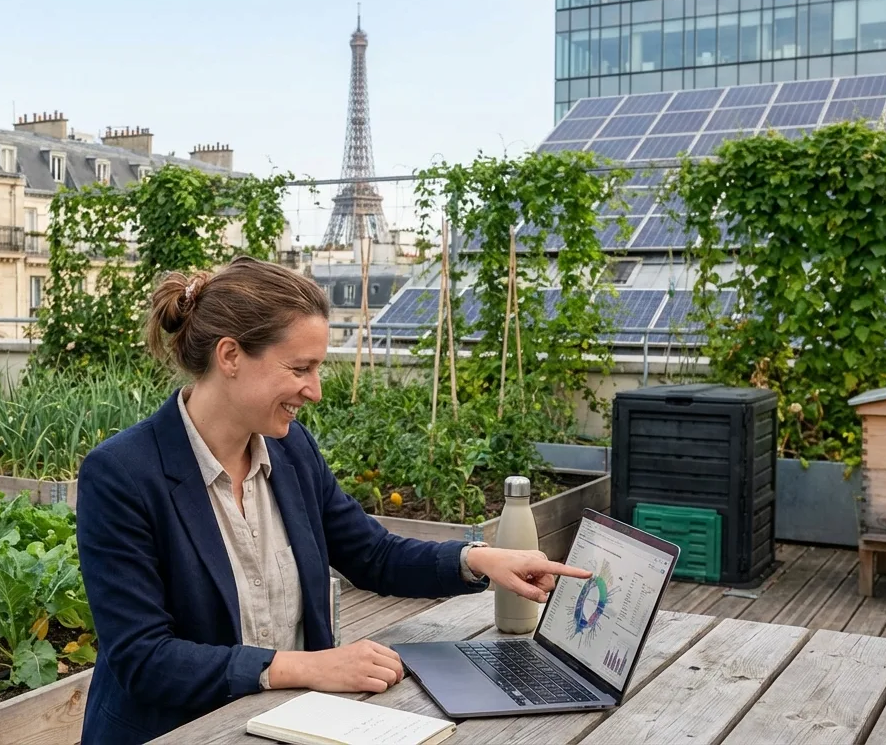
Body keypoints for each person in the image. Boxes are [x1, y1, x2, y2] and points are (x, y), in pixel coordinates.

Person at [75, 256, 592, 744]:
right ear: (230, 356)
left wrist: (477, 559)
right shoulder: (123, 475)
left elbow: (372, 555)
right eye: (300, 369)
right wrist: (304, 666)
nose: (315, 391)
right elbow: (144, 658)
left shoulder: (291, 451)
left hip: (293, 722)